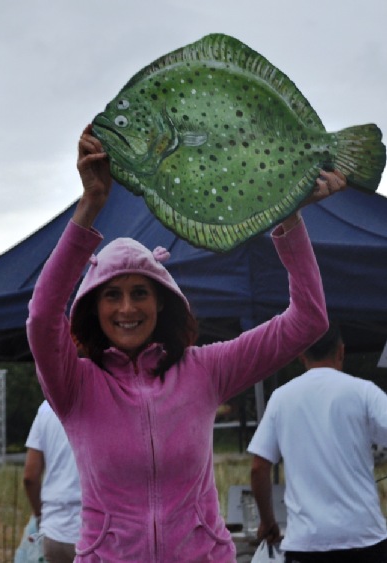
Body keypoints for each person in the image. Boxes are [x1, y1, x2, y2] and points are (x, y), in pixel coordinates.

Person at [25, 124, 346, 561]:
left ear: (163, 303)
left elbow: (308, 319)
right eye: (112, 295)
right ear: (92, 309)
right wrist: (90, 203)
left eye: (140, 292)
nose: (126, 308)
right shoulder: (74, 386)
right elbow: (43, 317)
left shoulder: (204, 370)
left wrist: (288, 213)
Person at [248, 323, 387, 562]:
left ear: (301, 355)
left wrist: (268, 522)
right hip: (364, 539)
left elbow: (258, 467)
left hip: (306, 544)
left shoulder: (282, 398)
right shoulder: (364, 392)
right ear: (341, 351)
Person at [23, 400, 82, 563]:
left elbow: (30, 476)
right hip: (98, 533)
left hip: (54, 531)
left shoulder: (46, 408)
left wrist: (40, 515)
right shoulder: (104, 398)